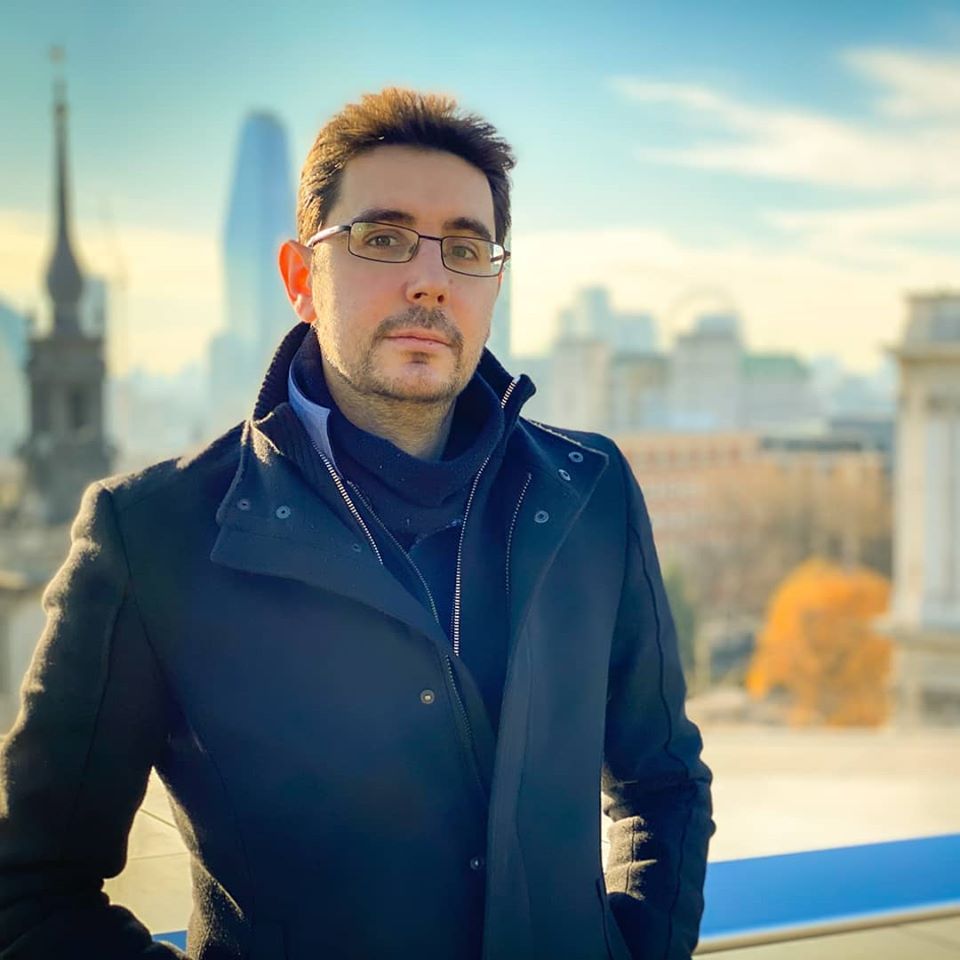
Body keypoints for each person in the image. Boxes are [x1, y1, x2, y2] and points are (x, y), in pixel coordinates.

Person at [0, 88, 713, 960]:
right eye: (382, 238)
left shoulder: (590, 491)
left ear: (493, 284)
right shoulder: (151, 538)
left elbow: (663, 782)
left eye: (466, 248)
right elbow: (29, 888)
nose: (430, 278)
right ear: (301, 278)